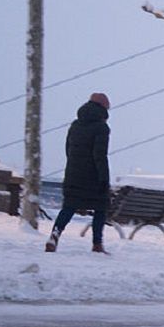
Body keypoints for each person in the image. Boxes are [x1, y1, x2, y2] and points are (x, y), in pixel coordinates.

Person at [45, 92, 112, 254]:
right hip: (93, 176)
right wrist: (104, 178)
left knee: (68, 207)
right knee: (101, 206)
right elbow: (99, 155)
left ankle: (54, 236)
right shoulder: (101, 128)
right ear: (103, 108)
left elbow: (68, 150)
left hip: (73, 174)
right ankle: (97, 243)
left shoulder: (75, 125)